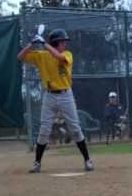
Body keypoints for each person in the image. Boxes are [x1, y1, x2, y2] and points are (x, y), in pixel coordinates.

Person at [17, 29, 94, 173]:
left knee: (75, 129)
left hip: (66, 94)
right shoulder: (42, 56)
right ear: (56, 42)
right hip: (49, 96)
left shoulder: (67, 55)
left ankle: (87, 160)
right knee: (44, 130)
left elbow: (59, 57)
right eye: (63, 41)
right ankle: (37, 163)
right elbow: (20, 56)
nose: (65, 44)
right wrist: (32, 43)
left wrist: (44, 43)